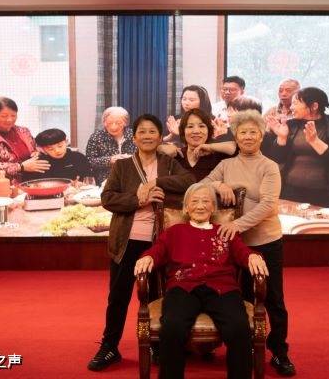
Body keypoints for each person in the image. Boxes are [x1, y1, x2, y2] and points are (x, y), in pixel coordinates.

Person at [88, 114, 195, 372]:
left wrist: (157, 182)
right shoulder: (123, 166)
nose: (147, 136)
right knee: (119, 295)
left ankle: (158, 345)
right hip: (128, 239)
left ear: (160, 137)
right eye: (142, 132)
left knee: (159, 294)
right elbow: (108, 198)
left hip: (159, 242)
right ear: (134, 137)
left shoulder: (168, 163)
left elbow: (189, 182)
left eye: (152, 131)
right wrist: (138, 200)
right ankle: (109, 346)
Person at [134, 182, 269, 379]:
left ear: (213, 208)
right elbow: (157, 250)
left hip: (223, 288)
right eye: (194, 201)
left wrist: (252, 257)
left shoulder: (225, 231)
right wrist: (148, 257)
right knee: (173, 327)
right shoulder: (175, 232)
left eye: (206, 201)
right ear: (186, 208)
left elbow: (242, 252)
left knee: (238, 328)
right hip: (183, 286)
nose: (200, 206)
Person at [202, 109, 296, 377]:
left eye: (253, 132)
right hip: (235, 246)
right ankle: (243, 349)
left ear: (261, 135)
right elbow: (202, 185)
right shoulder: (226, 165)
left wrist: (236, 225)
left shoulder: (269, 166)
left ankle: (279, 351)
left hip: (266, 241)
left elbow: (268, 205)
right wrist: (219, 186)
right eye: (242, 132)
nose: (247, 136)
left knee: (272, 298)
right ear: (236, 135)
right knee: (239, 298)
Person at [267, 87, 329, 213]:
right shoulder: (292, 125)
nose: (291, 107)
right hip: (292, 192)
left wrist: (315, 141)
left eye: (296, 103)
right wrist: (281, 137)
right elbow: (277, 159)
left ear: (314, 106)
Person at [0, 97, 50, 194]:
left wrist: (37, 152)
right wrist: (20, 167)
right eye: (4, 116)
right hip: (0, 192)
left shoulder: (23, 131)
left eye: (13, 115)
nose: (9, 120)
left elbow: (35, 148)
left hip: (29, 186)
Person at [174, 108, 236, 182]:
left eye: (201, 126)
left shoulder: (217, 154)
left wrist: (209, 147)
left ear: (208, 130)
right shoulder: (177, 156)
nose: (196, 131)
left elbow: (234, 148)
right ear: (183, 131)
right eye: (190, 126)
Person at [85, 106, 136, 186]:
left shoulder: (134, 135)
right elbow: (89, 161)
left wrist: (131, 159)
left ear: (125, 123)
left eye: (118, 123)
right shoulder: (96, 137)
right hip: (105, 181)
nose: (113, 127)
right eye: (109, 123)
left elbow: (144, 157)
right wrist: (109, 160)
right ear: (104, 122)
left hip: (131, 179)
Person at [22, 128, 92, 182]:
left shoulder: (78, 158)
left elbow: (88, 179)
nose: (57, 151)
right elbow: (31, 185)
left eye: (60, 146)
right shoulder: (37, 163)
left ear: (66, 142)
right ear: (42, 149)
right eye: (50, 149)